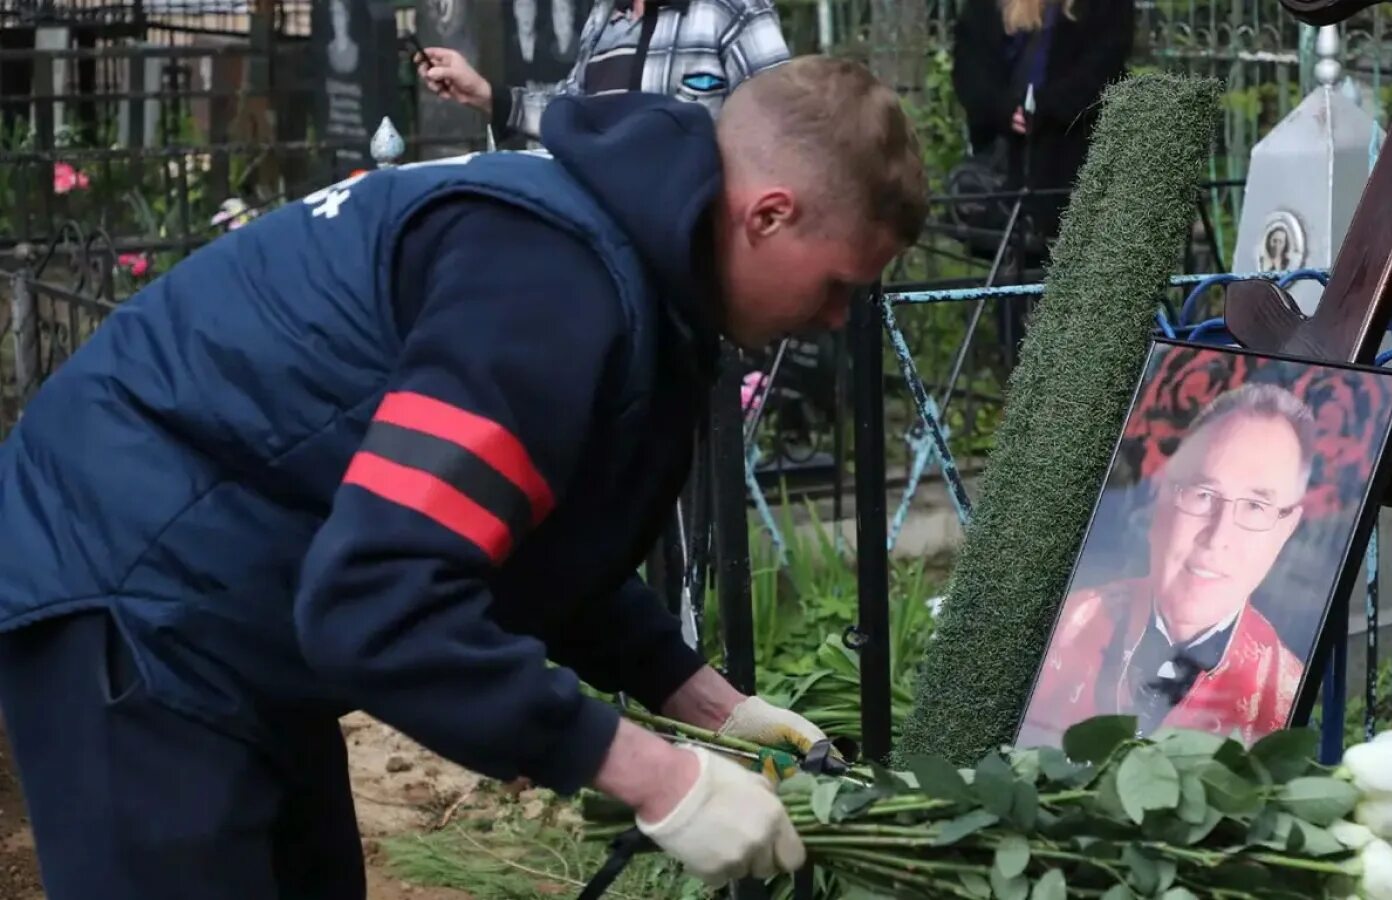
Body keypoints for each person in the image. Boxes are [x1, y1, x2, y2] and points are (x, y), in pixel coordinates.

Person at [0, 55, 927, 900]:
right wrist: (662, 779)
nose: (841, 319)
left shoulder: (624, 259)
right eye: (842, 284)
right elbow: (377, 607)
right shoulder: (546, 287)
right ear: (769, 214)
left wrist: (708, 702)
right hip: (129, 587)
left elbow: (519, 533)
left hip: (241, 594)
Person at [1017, 383, 1313, 748]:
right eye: (1204, 495)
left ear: (1286, 528)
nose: (1216, 536)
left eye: (1255, 506)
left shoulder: (1284, 691)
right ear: (1163, 496)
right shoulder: (1068, 623)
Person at [416, 0, 790, 143]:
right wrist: (481, 92)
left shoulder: (733, 9)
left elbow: (781, 133)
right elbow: (572, 111)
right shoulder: (605, 16)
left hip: (695, 253)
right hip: (609, 243)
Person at [952, 0, 1134, 251]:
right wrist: (1004, 109)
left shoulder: (1105, 7)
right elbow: (970, 64)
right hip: (1007, 160)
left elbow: (1103, 66)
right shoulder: (988, 7)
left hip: (1074, 155)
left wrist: (1046, 108)